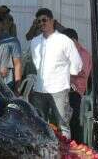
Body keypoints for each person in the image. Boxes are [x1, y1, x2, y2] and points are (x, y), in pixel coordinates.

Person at [27, 8, 82, 138]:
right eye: (38, 21)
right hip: (39, 89)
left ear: (52, 21)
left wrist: (66, 75)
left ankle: (66, 154)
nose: (41, 23)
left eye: (44, 20)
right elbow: (36, 63)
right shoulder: (35, 42)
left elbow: (77, 63)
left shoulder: (64, 40)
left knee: (63, 125)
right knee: (39, 124)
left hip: (59, 89)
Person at [60, 28, 92, 142]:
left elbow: (80, 71)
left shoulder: (82, 53)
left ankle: (77, 145)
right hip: (66, 89)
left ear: (73, 40)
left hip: (75, 91)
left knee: (73, 121)